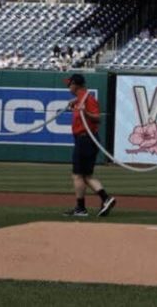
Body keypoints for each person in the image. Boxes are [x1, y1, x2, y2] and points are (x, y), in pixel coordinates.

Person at [62, 72, 116, 218]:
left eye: (70, 83)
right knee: (86, 175)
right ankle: (106, 199)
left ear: (75, 85)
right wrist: (75, 102)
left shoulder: (88, 99)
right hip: (84, 140)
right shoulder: (80, 99)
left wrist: (84, 112)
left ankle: (81, 208)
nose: (68, 86)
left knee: (77, 175)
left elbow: (98, 118)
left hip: (85, 139)